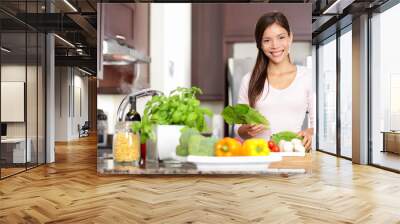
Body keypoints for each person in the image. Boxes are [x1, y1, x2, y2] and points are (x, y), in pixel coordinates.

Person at [236, 12, 315, 150]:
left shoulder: (308, 77)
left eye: (281, 37)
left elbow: (317, 124)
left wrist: (310, 132)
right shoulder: (249, 80)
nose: (275, 45)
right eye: (267, 40)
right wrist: (248, 129)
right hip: (260, 160)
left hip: (293, 159)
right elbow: (239, 129)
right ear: (260, 44)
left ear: (290, 37)